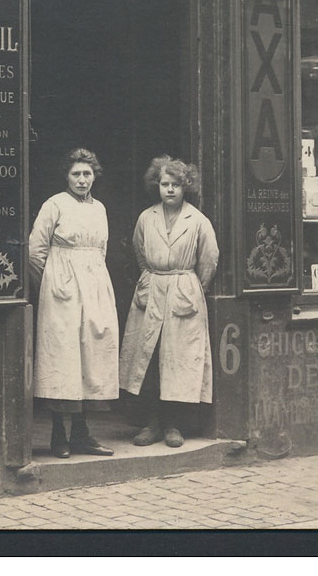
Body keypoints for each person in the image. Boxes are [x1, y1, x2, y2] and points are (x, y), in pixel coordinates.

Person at [118, 156, 219, 448]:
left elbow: (209, 260)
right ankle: (152, 423)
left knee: (178, 360)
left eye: (176, 185)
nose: (170, 190)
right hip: (152, 287)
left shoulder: (198, 221)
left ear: (185, 186)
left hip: (183, 289)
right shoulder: (146, 218)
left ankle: (174, 424)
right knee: (149, 359)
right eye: (165, 184)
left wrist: (191, 288)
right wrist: (154, 278)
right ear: (157, 186)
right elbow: (139, 253)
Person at [28, 148, 119, 458]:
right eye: (76, 174)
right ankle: (58, 435)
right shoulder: (54, 205)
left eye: (87, 174)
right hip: (61, 290)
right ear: (66, 177)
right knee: (62, 360)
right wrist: (53, 283)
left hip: (94, 287)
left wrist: (92, 282)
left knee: (90, 357)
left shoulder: (100, 209)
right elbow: (35, 251)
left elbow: (101, 250)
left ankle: (82, 433)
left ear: (95, 176)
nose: (82, 180)